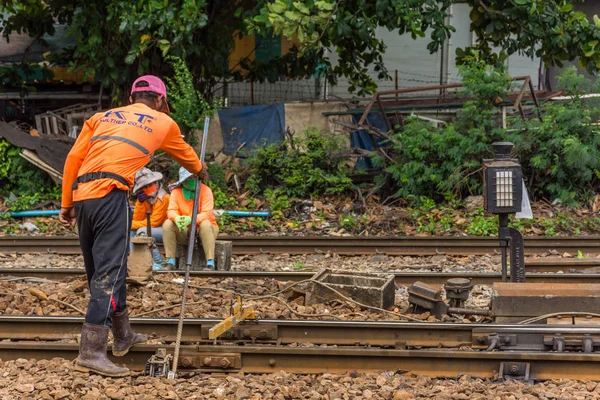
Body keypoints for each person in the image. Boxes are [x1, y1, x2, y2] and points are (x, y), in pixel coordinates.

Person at [59, 75, 207, 377]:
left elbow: (74, 156)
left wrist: (66, 202)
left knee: (104, 270)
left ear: (130, 99)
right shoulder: (163, 122)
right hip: (111, 196)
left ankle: (123, 334)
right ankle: (91, 351)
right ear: (161, 101)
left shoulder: (101, 117)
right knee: (109, 274)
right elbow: (189, 158)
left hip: (84, 196)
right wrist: (201, 169)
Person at [162, 167, 219, 270]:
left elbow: (207, 213)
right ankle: (170, 261)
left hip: (205, 230)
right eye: (189, 178)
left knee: (205, 224)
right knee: (167, 224)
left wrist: (191, 219)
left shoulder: (206, 190)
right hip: (184, 229)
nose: (192, 179)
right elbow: (171, 211)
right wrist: (177, 219)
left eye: (194, 177)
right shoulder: (176, 192)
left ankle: (210, 262)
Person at [130, 167, 169, 270]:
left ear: (156, 182)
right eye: (145, 186)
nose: (148, 187)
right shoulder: (147, 199)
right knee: (131, 232)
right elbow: (137, 219)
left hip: (167, 231)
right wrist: (140, 203)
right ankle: (133, 260)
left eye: (150, 184)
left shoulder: (164, 198)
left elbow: (153, 222)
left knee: (142, 231)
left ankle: (158, 262)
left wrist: (129, 224)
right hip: (154, 229)